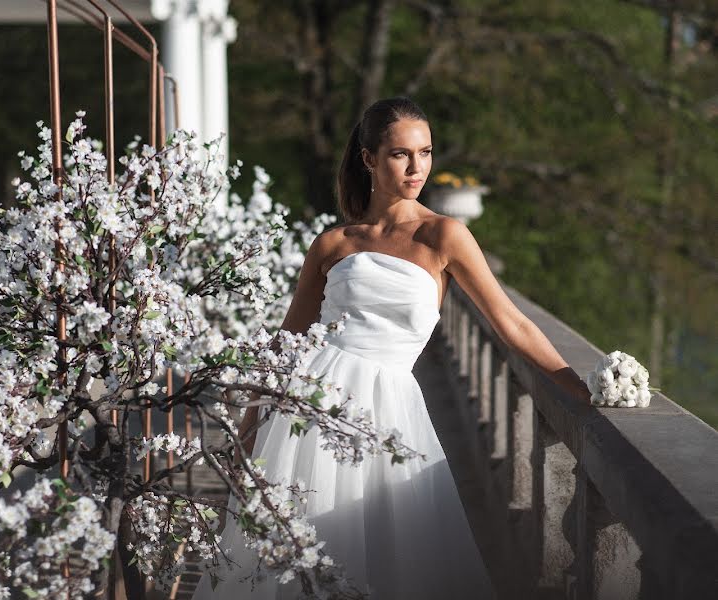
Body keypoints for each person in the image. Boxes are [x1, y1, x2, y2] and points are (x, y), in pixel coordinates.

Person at [192, 96, 592, 599]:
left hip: (389, 411)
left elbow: (510, 322)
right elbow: (288, 343)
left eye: (425, 153)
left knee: (387, 555)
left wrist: (578, 385)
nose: (417, 166)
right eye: (402, 154)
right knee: (300, 549)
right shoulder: (334, 243)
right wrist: (248, 428)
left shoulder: (443, 235)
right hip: (311, 408)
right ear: (370, 159)